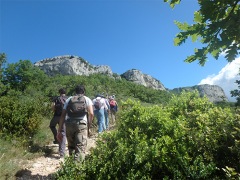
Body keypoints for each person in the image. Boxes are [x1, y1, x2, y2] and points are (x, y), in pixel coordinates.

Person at [57, 85, 94, 162]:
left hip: (69, 124)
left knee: (71, 147)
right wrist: (88, 126)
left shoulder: (69, 99)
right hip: (81, 124)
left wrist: (59, 130)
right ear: (84, 92)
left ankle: (70, 167)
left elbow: (63, 115)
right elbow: (91, 113)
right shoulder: (87, 99)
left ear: (75, 92)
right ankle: (77, 171)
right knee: (80, 148)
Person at [49, 88, 68, 158]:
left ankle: (56, 137)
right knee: (63, 133)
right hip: (64, 117)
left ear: (59, 92)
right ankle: (62, 153)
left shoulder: (56, 98)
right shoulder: (68, 98)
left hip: (56, 116)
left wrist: (55, 110)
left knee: (52, 126)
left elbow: (53, 107)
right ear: (65, 92)